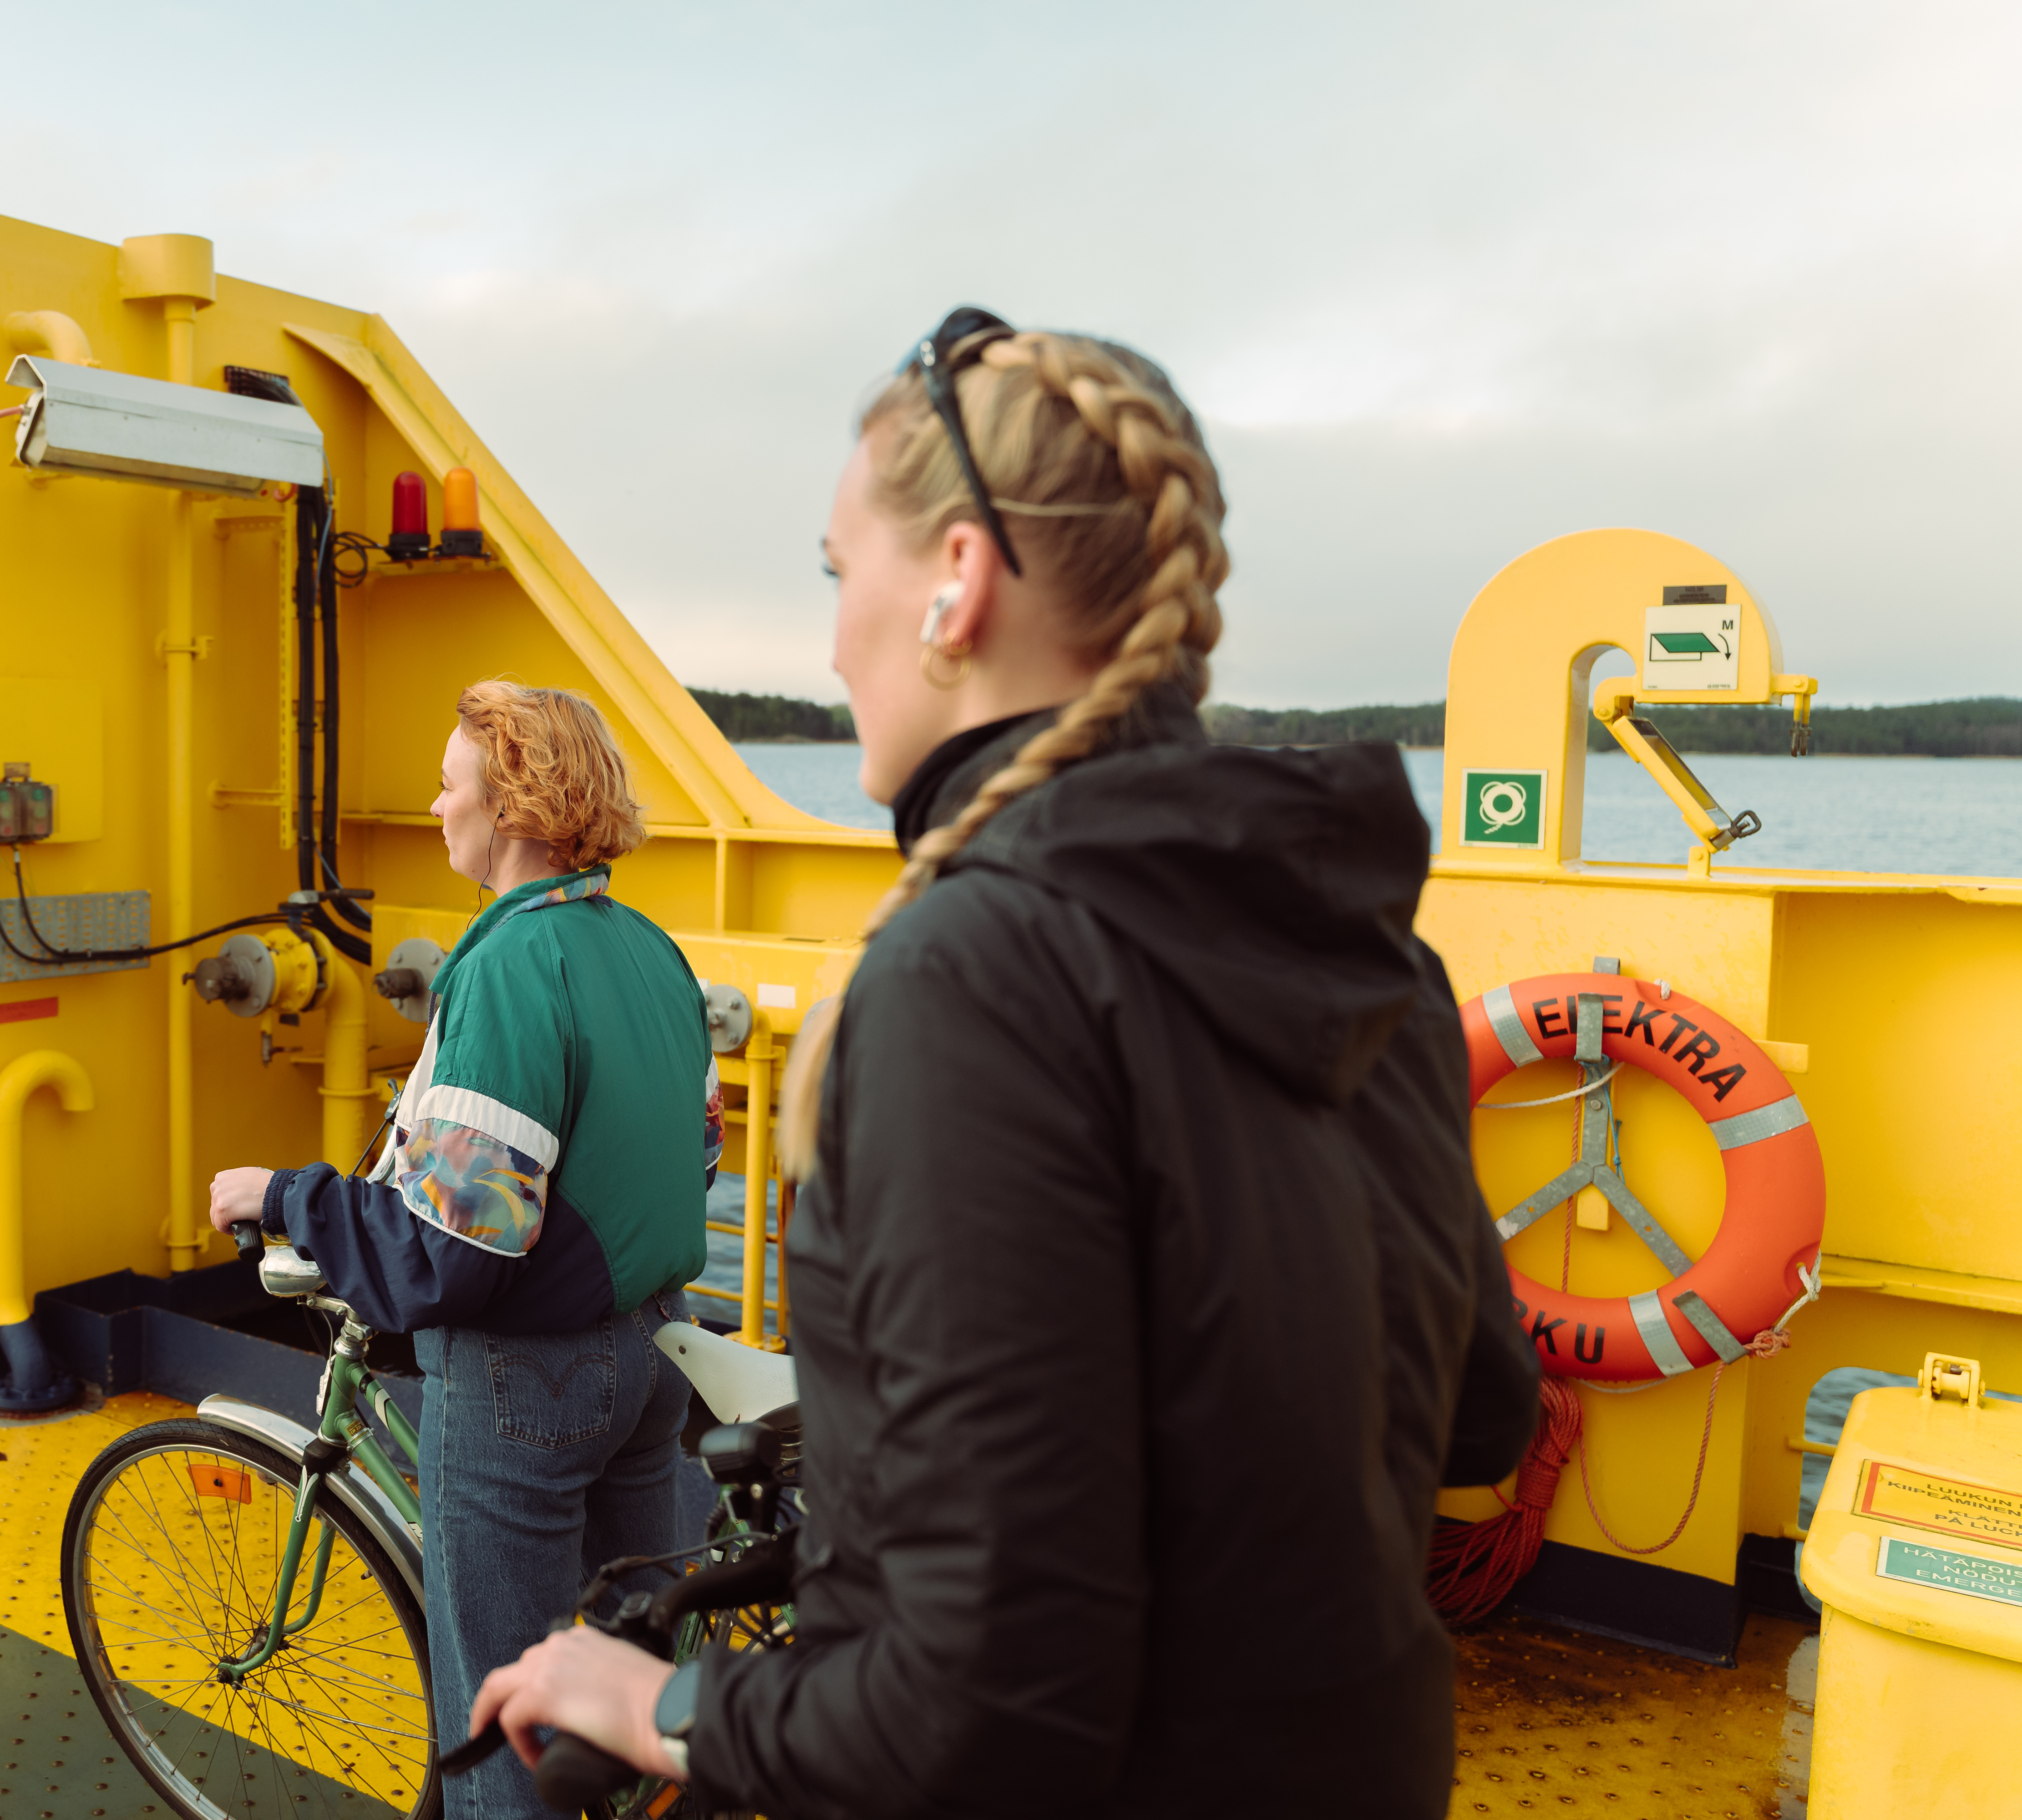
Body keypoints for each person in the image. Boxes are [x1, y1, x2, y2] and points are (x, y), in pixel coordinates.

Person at [468, 312, 1543, 1816]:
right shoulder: (1355, 936)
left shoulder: (970, 974)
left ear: (958, 581)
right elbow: (1481, 1412)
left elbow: (982, 1710)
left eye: (841, 574)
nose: (832, 639)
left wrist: (666, 1706)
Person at [207, 679, 722, 1820]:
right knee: (629, 1699)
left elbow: (456, 1247)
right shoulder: (652, 950)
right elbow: (693, 1154)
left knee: (505, 1733)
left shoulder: (505, 967)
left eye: (450, 787)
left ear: (514, 804)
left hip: (527, 1381)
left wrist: (288, 1196)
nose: (437, 808)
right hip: (653, 1356)